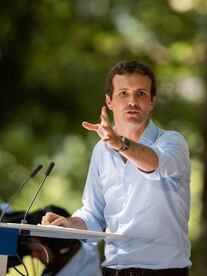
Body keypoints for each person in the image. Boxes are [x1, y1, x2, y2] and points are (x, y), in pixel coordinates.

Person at [41, 61, 191, 276]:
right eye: (123, 93)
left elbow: (156, 164)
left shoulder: (172, 142)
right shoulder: (101, 151)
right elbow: (94, 213)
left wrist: (120, 144)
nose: (132, 101)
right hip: (113, 269)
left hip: (165, 271)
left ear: (152, 102)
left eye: (141, 94)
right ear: (109, 101)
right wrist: (67, 224)